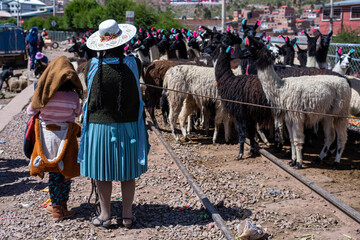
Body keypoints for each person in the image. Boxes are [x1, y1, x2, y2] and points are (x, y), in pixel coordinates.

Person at [78, 19, 150, 229]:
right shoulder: (133, 64)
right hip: (128, 127)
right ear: (122, 41)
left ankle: (106, 214)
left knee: (102, 172)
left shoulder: (91, 66)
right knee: (128, 172)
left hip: (100, 128)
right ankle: (127, 215)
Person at [27, 56, 83, 221]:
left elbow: (30, 112)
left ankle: (56, 207)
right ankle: (62, 206)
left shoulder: (44, 96)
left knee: (53, 174)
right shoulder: (73, 97)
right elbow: (78, 113)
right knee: (65, 173)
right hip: (67, 139)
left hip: (47, 139)